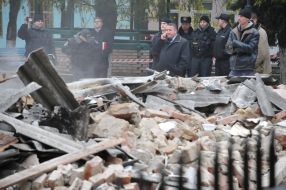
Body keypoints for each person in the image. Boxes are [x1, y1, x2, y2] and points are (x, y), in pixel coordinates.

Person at [225, 7, 259, 77]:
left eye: (241, 16)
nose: (239, 18)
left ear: (247, 19)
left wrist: (236, 44)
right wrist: (237, 47)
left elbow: (250, 48)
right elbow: (228, 49)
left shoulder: (254, 32)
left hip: (247, 67)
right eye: (239, 16)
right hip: (234, 66)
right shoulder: (233, 31)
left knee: (246, 87)